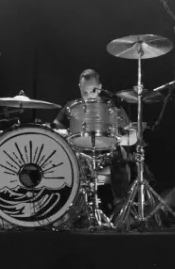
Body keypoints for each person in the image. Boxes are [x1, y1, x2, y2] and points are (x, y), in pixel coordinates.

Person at [53, 69, 137, 209]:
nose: (87, 96)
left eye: (91, 91)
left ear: (100, 88)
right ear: (79, 87)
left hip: (107, 157)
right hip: (78, 156)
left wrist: (120, 140)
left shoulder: (111, 107)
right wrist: (62, 133)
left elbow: (134, 135)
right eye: (84, 92)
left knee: (119, 157)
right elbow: (54, 129)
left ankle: (121, 210)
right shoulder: (71, 106)